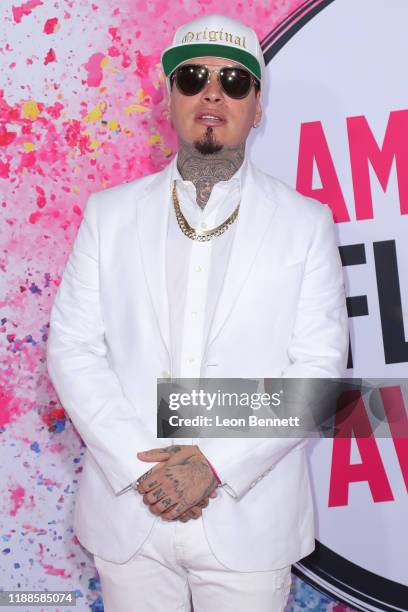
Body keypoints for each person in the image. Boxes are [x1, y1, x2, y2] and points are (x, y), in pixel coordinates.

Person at [47, 13, 349, 612]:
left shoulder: (306, 224)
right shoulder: (108, 216)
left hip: (248, 517)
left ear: (257, 107)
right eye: (194, 77)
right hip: (128, 513)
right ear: (170, 99)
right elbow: (72, 349)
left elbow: (316, 372)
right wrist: (145, 471)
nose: (213, 92)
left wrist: (213, 465)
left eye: (235, 81)